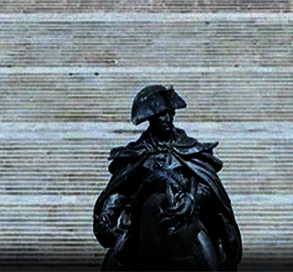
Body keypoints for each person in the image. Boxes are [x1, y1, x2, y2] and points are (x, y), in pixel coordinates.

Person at [93, 85, 241, 272]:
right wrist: (107, 214)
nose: (168, 119)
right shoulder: (136, 153)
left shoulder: (190, 149)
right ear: (150, 118)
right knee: (115, 261)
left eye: (170, 113)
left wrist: (192, 200)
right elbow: (121, 190)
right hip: (143, 225)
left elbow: (207, 184)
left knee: (210, 261)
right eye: (162, 115)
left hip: (187, 221)